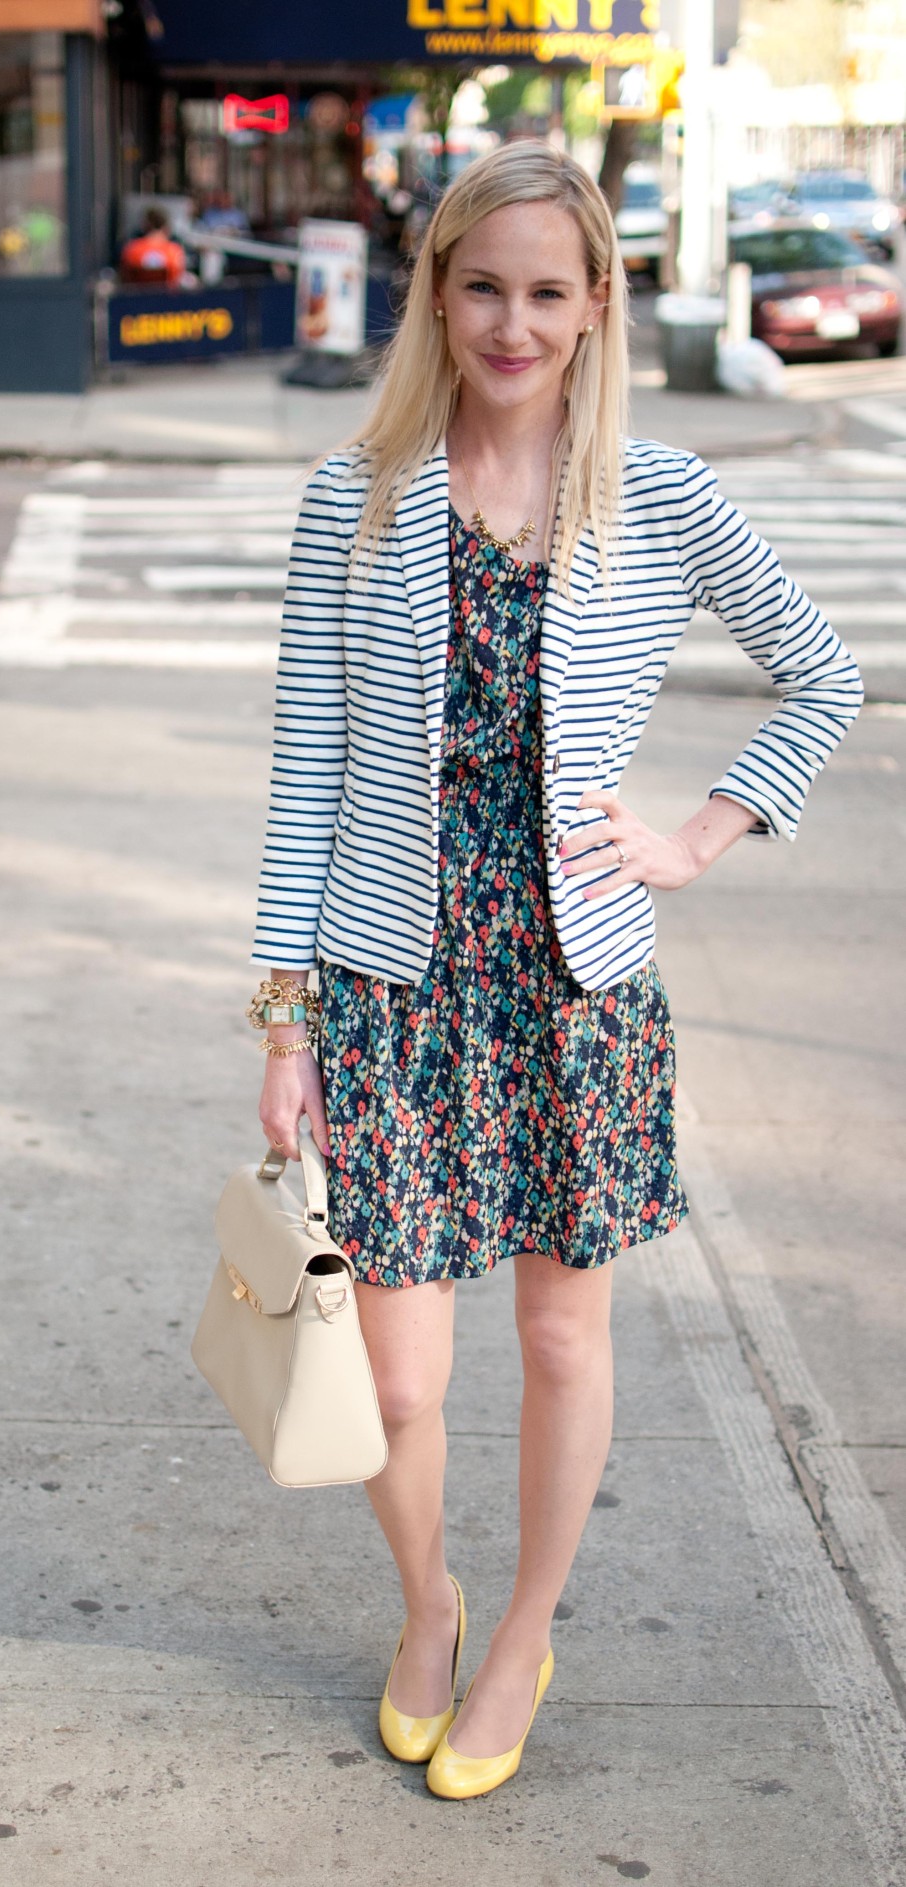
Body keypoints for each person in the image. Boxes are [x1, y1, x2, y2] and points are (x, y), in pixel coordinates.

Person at [248, 144, 862, 1802]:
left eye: (545, 291)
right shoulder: (352, 498)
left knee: (563, 1343)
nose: (510, 323)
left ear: (595, 305)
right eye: (480, 287)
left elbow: (822, 674)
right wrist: (281, 1011)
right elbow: (308, 769)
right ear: (434, 294)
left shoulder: (654, 496)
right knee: (393, 1369)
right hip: (389, 986)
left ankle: (522, 1626)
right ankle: (424, 1607)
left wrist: (695, 835)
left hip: (571, 989)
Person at [118, 206, 187, 288]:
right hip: (167, 298)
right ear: (166, 227)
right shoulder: (174, 251)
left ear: (145, 226)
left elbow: (124, 278)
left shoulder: (132, 249)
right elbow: (177, 279)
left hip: (136, 298)